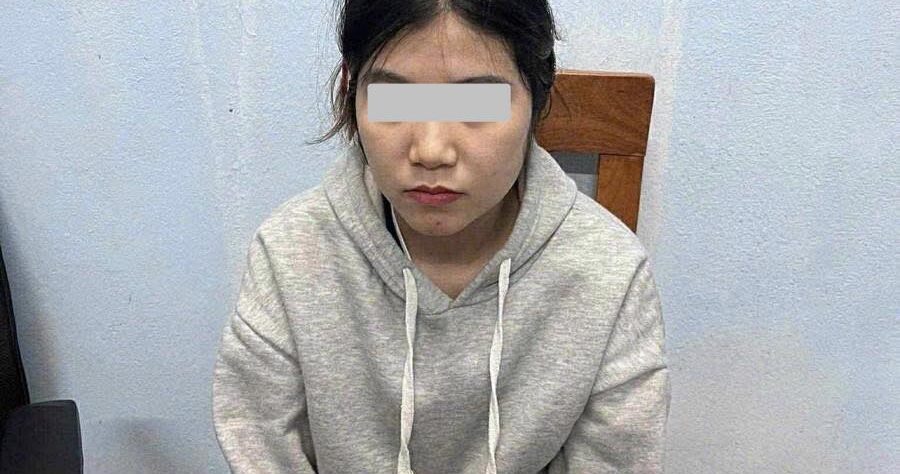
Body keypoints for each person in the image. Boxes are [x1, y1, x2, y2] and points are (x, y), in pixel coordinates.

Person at [212, 1, 671, 473]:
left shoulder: (608, 275)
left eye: (476, 105)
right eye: (395, 100)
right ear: (351, 88)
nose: (430, 151)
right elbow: (258, 438)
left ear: (538, 94)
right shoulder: (291, 256)